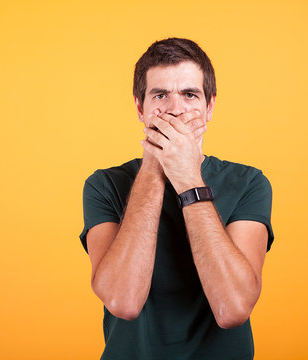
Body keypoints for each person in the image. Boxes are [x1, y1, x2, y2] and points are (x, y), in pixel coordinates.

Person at [79, 37, 275, 360]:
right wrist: (156, 165)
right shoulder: (104, 186)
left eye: (189, 94)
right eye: (160, 95)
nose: (174, 109)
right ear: (141, 109)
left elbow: (233, 308)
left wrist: (187, 178)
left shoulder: (250, 183)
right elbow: (123, 301)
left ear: (209, 107)